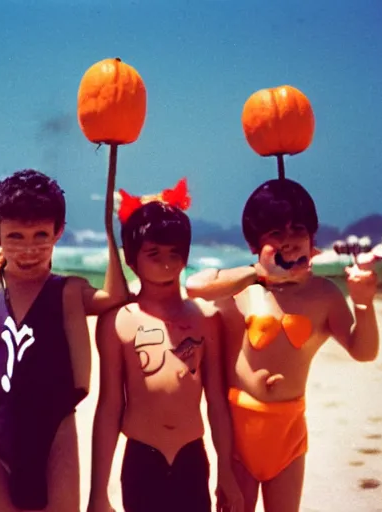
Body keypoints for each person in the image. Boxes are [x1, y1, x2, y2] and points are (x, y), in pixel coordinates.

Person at [185, 178, 380, 512]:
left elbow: (363, 351)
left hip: (288, 432)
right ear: (254, 243)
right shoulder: (243, 289)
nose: (289, 242)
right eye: (275, 234)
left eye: (298, 230)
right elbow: (195, 286)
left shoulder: (324, 294)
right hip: (239, 431)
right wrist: (259, 273)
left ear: (313, 238)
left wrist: (363, 304)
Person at [0, 168, 130, 512]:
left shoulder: (68, 292)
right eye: (15, 236)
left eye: (41, 235)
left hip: (56, 429)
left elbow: (116, 295)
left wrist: (112, 234)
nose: (29, 248)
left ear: (58, 232)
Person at [87, 179, 244, 512]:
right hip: (141, 458)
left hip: (192, 456)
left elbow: (216, 401)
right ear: (131, 259)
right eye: (153, 253)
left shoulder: (205, 318)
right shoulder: (118, 321)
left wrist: (226, 475)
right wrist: (97, 492)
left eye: (175, 253)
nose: (166, 262)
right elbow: (110, 407)